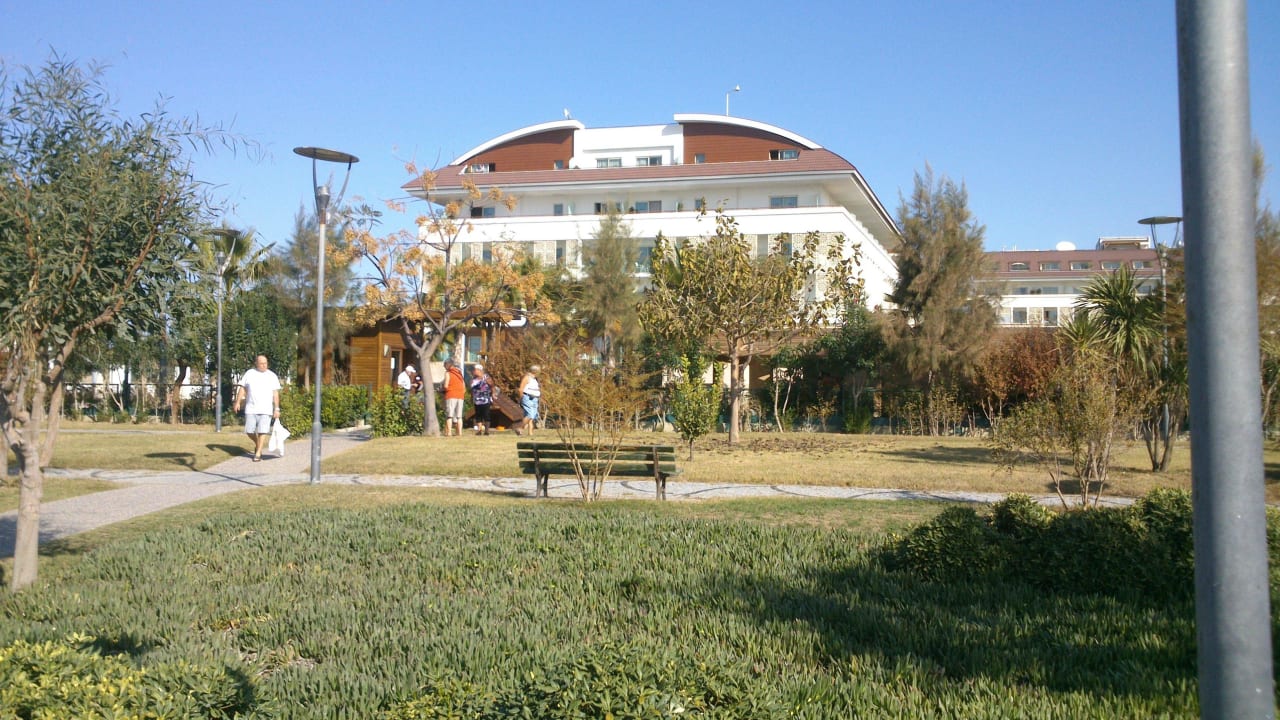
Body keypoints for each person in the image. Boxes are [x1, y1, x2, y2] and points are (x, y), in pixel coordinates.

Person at [232, 354, 281, 462]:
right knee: (249, 431)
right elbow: (243, 389)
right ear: (256, 364)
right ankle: (258, 444)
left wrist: (277, 408)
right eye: (261, 363)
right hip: (251, 408)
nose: (264, 365)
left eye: (265, 363)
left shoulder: (272, 376)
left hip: (266, 409)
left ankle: (258, 453)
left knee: (262, 431)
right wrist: (238, 402)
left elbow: (275, 393)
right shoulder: (250, 373)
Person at [516, 364, 541, 437]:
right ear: (535, 371)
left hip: (535, 398)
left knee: (532, 416)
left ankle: (530, 433)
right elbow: (521, 389)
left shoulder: (534, 379)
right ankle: (520, 428)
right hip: (527, 397)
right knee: (530, 414)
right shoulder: (527, 377)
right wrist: (521, 398)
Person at [442, 359, 465, 437]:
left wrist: (442, 390)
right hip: (460, 395)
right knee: (459, 416)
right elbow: (463, 385)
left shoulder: (448, 373)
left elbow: (446, 385)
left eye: (444, 365)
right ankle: (459, 433)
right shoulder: (459, 373)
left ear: (447, 365)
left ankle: (449, 433)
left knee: (449, 415)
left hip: (451, 395)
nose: (444, 367)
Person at [469, 363, 495, 436]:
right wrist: (472, 398)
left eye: (474, 370)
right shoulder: (473, 379)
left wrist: (492, 395)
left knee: (486, 415)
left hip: (485, 399)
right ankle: (479, 430)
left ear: (479, 370)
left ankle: (486, 431)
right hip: (477, 400)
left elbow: (492, 386)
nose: (473, 371)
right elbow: (472, 390)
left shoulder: (486, 377)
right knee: (478, 415)